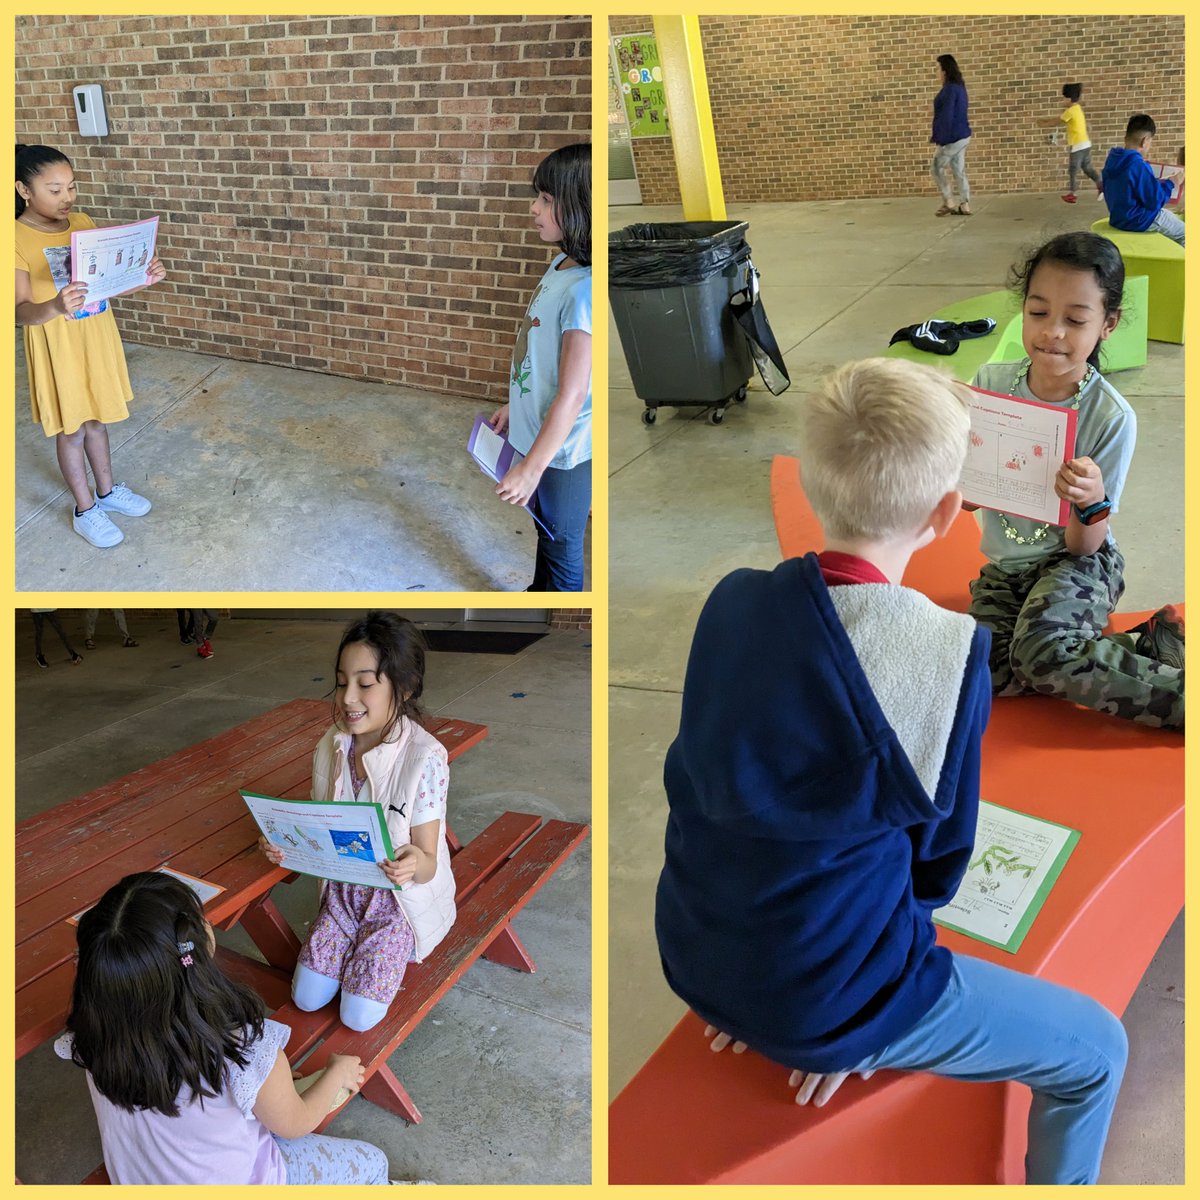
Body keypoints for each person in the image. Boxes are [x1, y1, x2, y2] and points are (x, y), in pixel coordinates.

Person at [655, 356, 1129, 1185]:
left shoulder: (730, 601)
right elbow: (936, 870)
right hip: (827, 995)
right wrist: (856, 1013)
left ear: (807, 483)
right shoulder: (951, 655)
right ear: (951, 512)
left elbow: (695, 784)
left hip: (696, 957)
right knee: (1098, 1053)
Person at [968, 231, 1183, 728]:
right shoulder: (991, 384)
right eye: (1039, 312)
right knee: (984, 669)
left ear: (1107, 325)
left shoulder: (1110, 416)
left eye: (1076, 319)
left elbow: (1086, 545)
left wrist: (1091, 500)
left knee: (1040, 651)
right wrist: (956, 472)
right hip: (1006, 566)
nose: (1053, 333)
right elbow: (965, 499)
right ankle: (1144, 646)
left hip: (1080, 561)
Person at [56, 871, 388, 1184]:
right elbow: (294, 1123)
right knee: (374, 1163)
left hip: (139, 1180)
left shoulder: (89, 1036)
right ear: (203, 943)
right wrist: (336, 1074)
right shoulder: (241, 1050)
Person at [259, 612, 455, 1032]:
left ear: (403, 688)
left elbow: (428, 862)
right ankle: (350, 950)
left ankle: (376, 951)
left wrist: (410, 863)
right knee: (306, 999)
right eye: (342, 681)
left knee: (358, 1017)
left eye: (365, 684)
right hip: (340, 896)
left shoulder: (426, 757)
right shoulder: (331, 744)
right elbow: (318, 824)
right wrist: (282, 842)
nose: (348, 697)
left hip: (394, 906)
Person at [15, 145, 166, 548]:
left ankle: (107, 490)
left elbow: (107, 283)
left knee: (97, 420)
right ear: (23, 189)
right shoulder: (12, 235)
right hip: (57, 345)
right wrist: (55, 304)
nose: (67, 198)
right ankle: (85, 510)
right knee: (72, 429)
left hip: (96, 335)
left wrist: (143, 277)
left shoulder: (81, 221)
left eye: (71, 187)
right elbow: (20, 312)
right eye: (55, 189)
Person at [488, 142, 592, 591]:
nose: (534, 208)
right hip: (539, 435)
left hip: (564, 454)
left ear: (582, 205)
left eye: (547, 200)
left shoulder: (584, 290)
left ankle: (562, 597)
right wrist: (517, 406)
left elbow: (573, 393)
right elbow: (540, 358)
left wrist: (531, 468)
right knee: (544, 527)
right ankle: (539, 589)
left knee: (563, 539)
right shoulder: (561, 264)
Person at [1101, 114, 1185, 247]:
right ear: (1145, 141)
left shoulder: (1113, 159)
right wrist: (1172, 183)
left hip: (1119, 218)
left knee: (1171, 216)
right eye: (1150, 142)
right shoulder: (1138, 165)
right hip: (1139, 220)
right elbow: (1155, 201)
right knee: (1186, 233)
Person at [1037, 83, 1102, 203]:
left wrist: (1042, 124)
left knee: (1073, 170)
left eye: (1063, 98)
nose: (1062, 101)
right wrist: (1044, 119)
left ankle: (1072, 194)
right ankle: (1101, 184)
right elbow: (1058, 118)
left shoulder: (1070, 111)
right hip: (1085, 144)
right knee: (1087, 168)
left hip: (1077, 146)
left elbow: (1056, 121)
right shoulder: (1077, 109)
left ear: (1068, 98)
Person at [930, 55, 972, 216]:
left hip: (952, 138)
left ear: (945, 70)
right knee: (958, 170)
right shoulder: (959, 87)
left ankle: (949, 201)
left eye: (937, 69)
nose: (937, 72)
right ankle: (965, 204)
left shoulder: (949, 90)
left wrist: (940, 138)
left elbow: (946, 116)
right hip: (963, 135)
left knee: (936, 167)